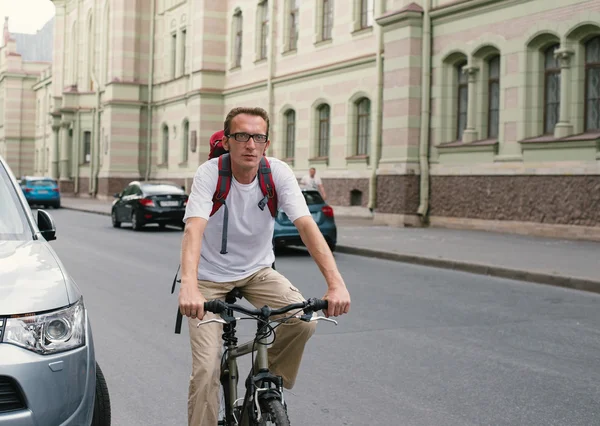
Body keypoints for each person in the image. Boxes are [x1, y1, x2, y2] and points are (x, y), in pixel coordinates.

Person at [178, 106, 351, 425]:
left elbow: (307, 227)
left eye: (258, 137)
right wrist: (189, 286)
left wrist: (335, 283)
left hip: (258, 272)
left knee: (303, 320)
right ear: (228, 140)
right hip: (208, 280)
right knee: (206, 370)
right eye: (241, 136)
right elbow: (194, 230)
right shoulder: (211, 174)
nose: (250, 144)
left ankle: (266, 383)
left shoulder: (278, 173)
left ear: (267, 143)